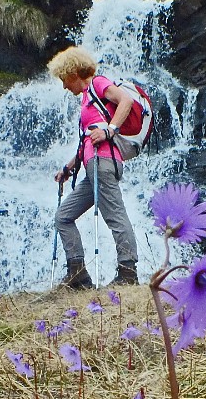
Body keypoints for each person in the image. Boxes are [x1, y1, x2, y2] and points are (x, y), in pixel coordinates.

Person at [46, 46, 140, 288]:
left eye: (64, 79)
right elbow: (88, 141)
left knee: (115, 216)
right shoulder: (88, 100)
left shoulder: (98, 83)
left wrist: (110, 130)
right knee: (63, 217)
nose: (64, 86)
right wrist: (68, 168)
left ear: (73, 72)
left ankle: (128, 273)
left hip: (104, 163)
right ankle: (78, 274)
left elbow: (126, 100)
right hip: (91, 167)